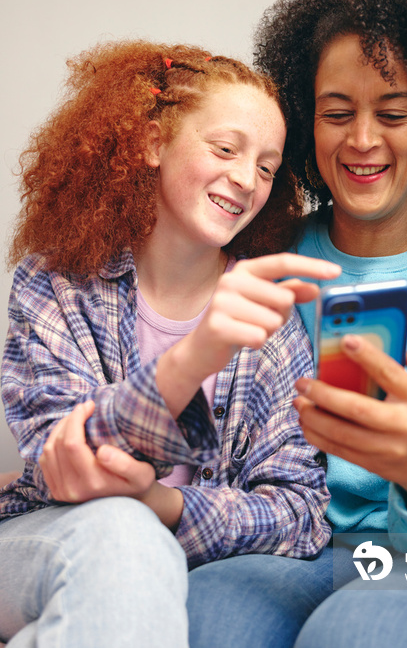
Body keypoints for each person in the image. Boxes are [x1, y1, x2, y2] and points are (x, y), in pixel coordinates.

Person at [186, 0, 407, 647]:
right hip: (303, 545)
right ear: (303, 127)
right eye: (336, 113)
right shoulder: (265, 258)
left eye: (394, 113)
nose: (362, 140)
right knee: (204, 615)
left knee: (354, 633)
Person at [0, 39, 342, 647]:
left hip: (173, 581)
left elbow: (299, 513)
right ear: (153, 143)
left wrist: (164, 504)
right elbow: (68, 462)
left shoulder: (269, 317)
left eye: (266, 167)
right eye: (225, 148)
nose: (245, 179)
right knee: (125, 533)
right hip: (48, 542)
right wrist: (198, 354)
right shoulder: (55, 283)